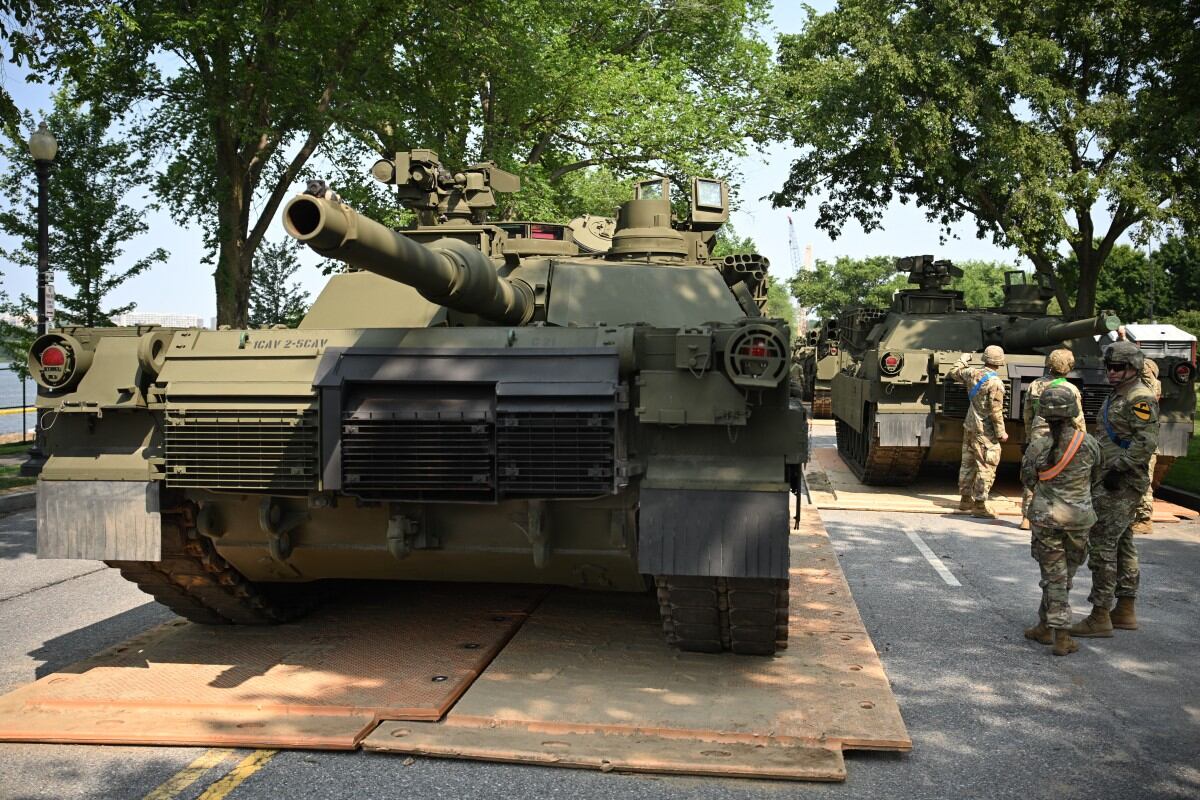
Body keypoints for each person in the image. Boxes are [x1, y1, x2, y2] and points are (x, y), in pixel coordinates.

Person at [1071, 341, 1159, 637]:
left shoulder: (1139, 398)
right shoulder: (1119, 394)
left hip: (1120, 482)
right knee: (1122, 544)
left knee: (1102, 546)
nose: (1111, 372)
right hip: (1110, 477)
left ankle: (1100, 615)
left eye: (1118, 367)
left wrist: (1118, 469)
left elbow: (1145, 443)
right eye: (1108, 367)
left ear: (1133, 368)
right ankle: (1124, 609)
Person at [1021, 385, 1103, 656]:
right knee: (1062, 576)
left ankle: (1060, 635)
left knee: (1054, 577)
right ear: (1073, 411)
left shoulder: (1038, 445)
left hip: (1047, 519)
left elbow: (1028, 479)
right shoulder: (1089, 443)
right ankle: (1045, 627)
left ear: (1044, 413)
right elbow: (1097, 477)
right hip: (1079, 520)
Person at [1019, 348, 1085, 530]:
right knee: (1060, 473)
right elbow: (1078, 419)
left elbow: (1027, 414)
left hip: (1038, 435)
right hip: (1062, 437)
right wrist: (1081, 439)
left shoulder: (1034, 385)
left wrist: (1029, 434)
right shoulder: (1071, 389)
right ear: (1069, 366)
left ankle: (1027, 517)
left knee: (1033, 473)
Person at [948, 345, 1008, 518]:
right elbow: (996, 412)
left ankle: (965, 500)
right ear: (1000, 362)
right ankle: (980, 505)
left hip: (970, 426)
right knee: (986, 465)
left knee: (967, 463)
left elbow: (955, 371)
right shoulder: (996, 383)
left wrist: (964, 358)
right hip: (985, 430)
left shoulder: (972, 373)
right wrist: (1001, 433)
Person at [1131, 359, 1162, 536]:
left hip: (1145, 444)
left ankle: (1144, 520)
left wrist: (1126, 342)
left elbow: (1143, 370)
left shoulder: (1151, 386)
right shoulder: (1144, 389)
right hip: (1140, 442)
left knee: (1143, 481)